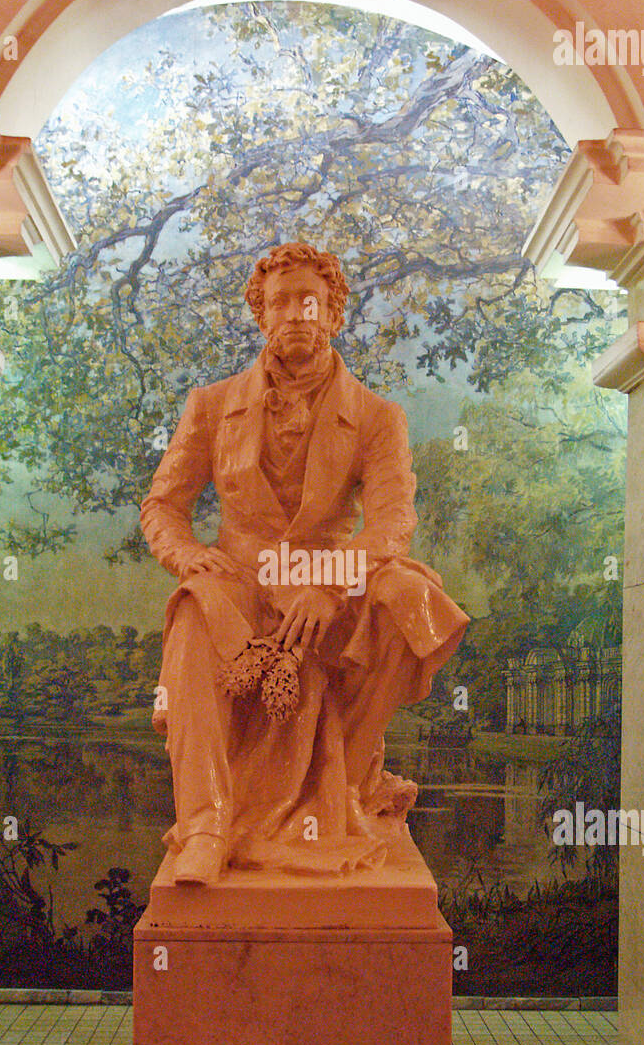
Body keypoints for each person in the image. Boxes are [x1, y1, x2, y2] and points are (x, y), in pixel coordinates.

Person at [140, 242, 469, 885]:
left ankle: (340, 784)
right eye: (281, 300)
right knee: (191, 622)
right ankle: (207, 825)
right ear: (260, 314)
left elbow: (393, 522)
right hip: (239, 581)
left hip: (330, 579)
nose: (297, 312)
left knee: (412, 599)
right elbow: (162, 506)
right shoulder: (210, 406)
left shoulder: (377, 417)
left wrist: (331, 581)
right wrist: (191, 560)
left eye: (311, 299)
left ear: (335, 315)